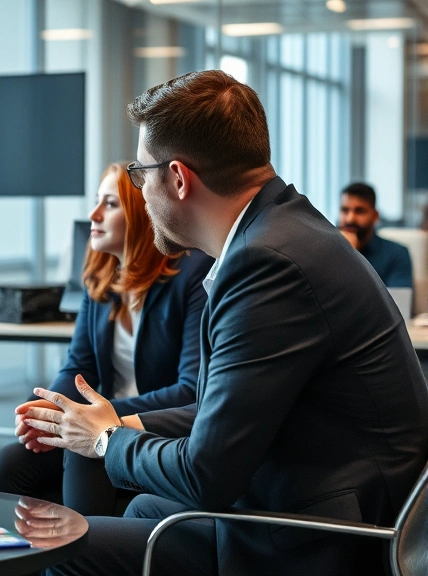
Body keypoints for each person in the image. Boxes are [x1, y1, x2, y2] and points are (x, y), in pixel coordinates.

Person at [22, 70, 428, 576]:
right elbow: (232, 411)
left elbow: (207, 476)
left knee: (60, 549)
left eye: (139, 174)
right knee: (142, 509)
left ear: (177, 178)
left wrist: (106, 439)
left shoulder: (267, 263)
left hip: (316, 537)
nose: (140, 193)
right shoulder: (282, 230)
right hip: (307, 496)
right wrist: (124, 423)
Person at [0, 162, 211, 515]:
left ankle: (82, 561)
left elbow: (189, 390)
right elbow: (79, 366)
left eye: (109, 204)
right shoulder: (102, 276)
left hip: (157, 430)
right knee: (6, 467)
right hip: (99, 421)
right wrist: (50, 408)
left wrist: (90, 418)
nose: (93, 214)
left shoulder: (191, 276)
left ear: (140, 213)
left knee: (84, 454)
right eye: (96, 201)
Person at [339, 182, 413, 288]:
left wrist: (351, 255)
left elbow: (398, 302)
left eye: (360, 211)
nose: (350, 218)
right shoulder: (326, 251)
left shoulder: (396, 254)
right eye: (344, 210)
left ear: (375, 216)